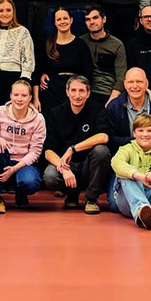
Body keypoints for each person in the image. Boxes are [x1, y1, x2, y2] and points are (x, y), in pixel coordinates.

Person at [41, 75, 111, 213]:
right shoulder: (56, 113)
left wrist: (73, 149)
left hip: (88, 165)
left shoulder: (97, 109)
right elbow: (48, 151)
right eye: (73, 90)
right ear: (67, 92)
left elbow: (104, 137)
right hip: (67, 165)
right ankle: (71, 194)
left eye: (81, 91)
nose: (77, 95)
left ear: (88, 93)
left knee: (101, 151)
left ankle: (91, 199)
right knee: (50, 175)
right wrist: (64, 169)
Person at [0, 78, 45, 214]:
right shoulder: (0, 112)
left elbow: (36, 152)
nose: (19, 99)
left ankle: (21, 191)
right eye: (16, 95)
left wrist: (14, 168)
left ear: (30, 98)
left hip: (23, 162)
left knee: (31, 182)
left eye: (24, 95)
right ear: (10, 96)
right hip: (3, 158)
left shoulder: (38, 119)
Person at [36, 7, 93, 113]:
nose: (62, 21)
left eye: (65, 18)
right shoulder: (48, 43)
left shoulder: (80, 44)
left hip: (73, 92)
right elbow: (37, 70)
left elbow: (88, 73)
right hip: (50, 91)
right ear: (54, 22)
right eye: (59, 19)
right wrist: (41, 76)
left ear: (71, 20)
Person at [104, 67, 151, 151]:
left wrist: (148, 145)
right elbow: (112, 138)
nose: (135, 86)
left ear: (146, 84)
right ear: (124, 84)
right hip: (125, 151)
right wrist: (138, 143)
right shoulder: (114, 106)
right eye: (130, 82)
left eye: (139, 81)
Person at [84, 5, 127, 105]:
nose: (92, 22)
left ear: (104, 19)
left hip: (107, 93)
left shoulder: (117, 44)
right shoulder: (81, 41)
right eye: (88, 19)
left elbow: (121, 78)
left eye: (95, 18)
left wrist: (111, 102)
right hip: (84, 92)